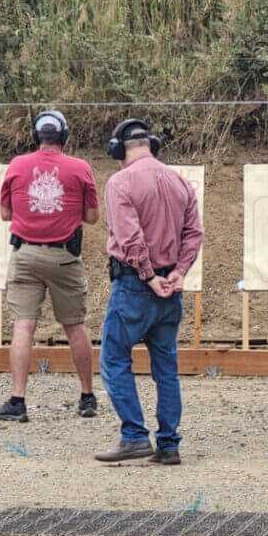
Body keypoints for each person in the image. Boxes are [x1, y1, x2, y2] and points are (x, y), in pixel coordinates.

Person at [94, 119, 203, 465]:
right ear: (151, 144)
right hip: (171, 288)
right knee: (166, 368)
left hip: (134, 285)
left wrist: (147, 275)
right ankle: (169, 445)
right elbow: (194, 233)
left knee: (113, 358)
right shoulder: (180, 181)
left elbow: (130, 237)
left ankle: (134, 436)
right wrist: (179, 272)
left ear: (119, 149)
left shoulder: (120, 182)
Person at [0, 110, 100, 423]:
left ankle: (17, 400)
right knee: (75, 325)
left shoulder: (16, 165)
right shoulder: (80, 168)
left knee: (24, 325)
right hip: (64, 257)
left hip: (25, 255)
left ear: (36, 135)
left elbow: (5, 213)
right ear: (63, 136)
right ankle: (87, 396)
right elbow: (92, 218)